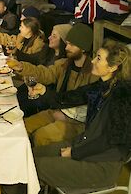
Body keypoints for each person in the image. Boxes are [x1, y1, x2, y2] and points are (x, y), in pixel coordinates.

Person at [32, 39, 131, 189]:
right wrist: (44, 91)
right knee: (28, 155)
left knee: (33, 166)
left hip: (102, 165)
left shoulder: (123, 96)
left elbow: (110, 140)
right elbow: (69, 98)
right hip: (84, 145)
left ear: (112, 67)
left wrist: (75, 152)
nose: (92, 61)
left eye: (98, 58)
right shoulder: (101, 87)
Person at [7, 23, 99, 146]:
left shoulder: (94, 73)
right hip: (56, 110)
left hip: (76, 122)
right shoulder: (64, 64)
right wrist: (21, 66)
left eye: (72, 45)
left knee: (41, 136)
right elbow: (44, 73)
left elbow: (82, 102)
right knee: (22, 127)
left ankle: (35, 162)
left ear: (83, 48)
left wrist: (64, 113)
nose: (66, 47)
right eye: (67, 43)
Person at [15, 23, 72, 117]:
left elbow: (47, 76)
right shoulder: (48, 51)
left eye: (54, 36)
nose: (49, 38)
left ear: (63, 41)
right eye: (51, 35)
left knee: (20, 104)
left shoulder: (64, 63)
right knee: (16, 94)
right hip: (34, 86)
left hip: (44, 95)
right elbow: (32, 59)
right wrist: (17, 58)